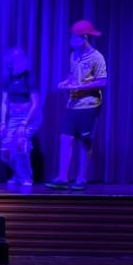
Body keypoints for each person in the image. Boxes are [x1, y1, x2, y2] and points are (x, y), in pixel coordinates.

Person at [47, 20, 107, 191]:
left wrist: (80, 87)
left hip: (89, 105)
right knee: (65, 138)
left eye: (74, 37)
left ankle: (81, 178)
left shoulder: (97, 57)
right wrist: (66, 82)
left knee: (84, 141)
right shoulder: (73, 55)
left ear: (84, 37)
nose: (71, 40)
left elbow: (103, 81)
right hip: (72, 104)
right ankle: (62, 177)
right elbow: (72, 75)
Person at [0, 47, 42, 187]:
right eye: (12, 62)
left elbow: (36, 104)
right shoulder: (8, 78)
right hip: (13, 117)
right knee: (5, 153)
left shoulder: (29, 78)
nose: (14, 64)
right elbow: (4, 102)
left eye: (17, 61)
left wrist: (24, 123)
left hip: (30, 116)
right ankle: (19, 174)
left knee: (20, 143)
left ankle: (26, 177)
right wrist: (2, 123)